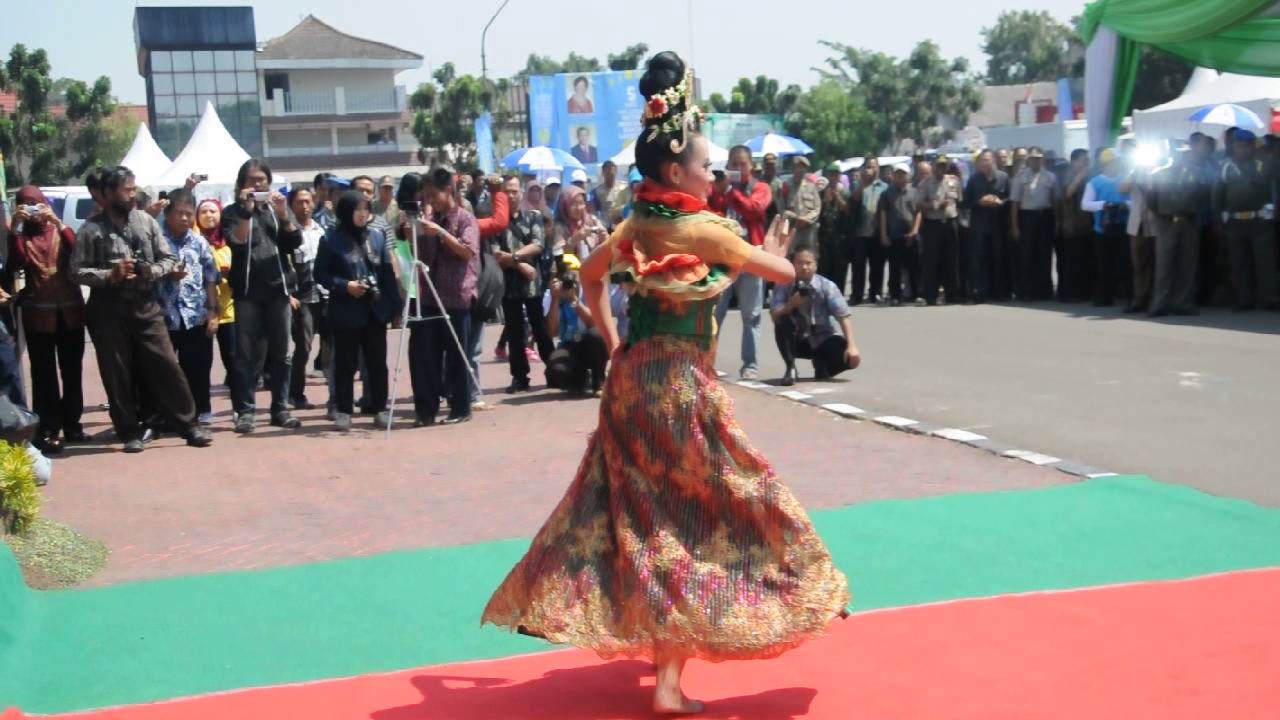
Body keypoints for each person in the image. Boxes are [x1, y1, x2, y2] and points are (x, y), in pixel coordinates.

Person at [482, 52, 849, 716]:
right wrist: (791, 228)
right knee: (710, 512)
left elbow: (590, 283)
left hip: (630, 384)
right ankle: (677, 679)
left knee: (643, 518)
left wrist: (616, 342)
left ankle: (666, 678)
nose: (714, 176)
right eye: (707, 167)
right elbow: (783, 271)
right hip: (682, 388)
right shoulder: (703, 228)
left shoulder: (633, 227)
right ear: (677, 172)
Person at [70, 166, 213, 453]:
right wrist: (111, 275)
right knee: (117, 371)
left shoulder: (146, 222)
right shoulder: (91, 228)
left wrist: (150, 270)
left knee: (166, 364)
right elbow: (76, 271)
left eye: (134, 189)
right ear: (109, 193)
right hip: (108, 308)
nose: (132, 194)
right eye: (126, 189)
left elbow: (170, 258)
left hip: (146, 304)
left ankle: (189, 424)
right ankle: (128, 430)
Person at [221, 158, 303, 433]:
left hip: (278, 290)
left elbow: (294, 243)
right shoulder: (233, 212)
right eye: (251, 180)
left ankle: (280, 407)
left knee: (282, 353)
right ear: (241, 184)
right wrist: (246, 211)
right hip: (247, 293)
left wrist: (282, 213)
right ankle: (245, 411)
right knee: (245, 355)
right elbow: (238, 242)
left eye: (261, 180)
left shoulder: (277, 209)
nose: (257, 185)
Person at [5, 186, 88, 454]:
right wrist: (16, 226)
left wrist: (57, 221)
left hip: (70, 312)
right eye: (25, 205)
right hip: (38, 315)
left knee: (72, 371)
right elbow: (15, 263)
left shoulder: (59, 231)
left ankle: (73, 424)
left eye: (36, 204)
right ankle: (48, 429)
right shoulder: (21, 236)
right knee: (44, 375)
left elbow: (78, 252)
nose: (33, 211)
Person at [314, 191, 400, 430]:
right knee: (345, 362)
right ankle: (343, 409)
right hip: (346, 311)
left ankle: (380, 407)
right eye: (357, 209)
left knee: (376, 362)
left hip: (375, 309)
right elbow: (320, 273)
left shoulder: (377, 236)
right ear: (346, 212)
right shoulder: (331, 239)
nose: (363, 214)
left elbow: (387, 273)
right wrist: (345, 285)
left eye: (366, 209)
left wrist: (395, 306)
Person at [405, 167, 479, 426]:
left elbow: (468, 251)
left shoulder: (465, 219)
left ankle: (460, 407)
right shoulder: (429, 218)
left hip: (457, 297)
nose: (429, 200)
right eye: (425, 195)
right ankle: (426, 410)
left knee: (457, 355)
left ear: (448, 190)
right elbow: (418, 254)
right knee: (425, 355)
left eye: (432, 194)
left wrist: (441, 232)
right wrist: (413, 232)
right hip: (428, 296)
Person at [156, 189, 220, 425]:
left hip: (196, 315)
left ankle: (201, 411)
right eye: (179, 213)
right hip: (165, 316)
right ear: (167, 212)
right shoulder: (156, 240)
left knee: (198, 368)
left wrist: (213, 311)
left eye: (188, 214)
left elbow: (211, 277)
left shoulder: (199, 241)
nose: (184, 218)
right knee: (167, 371)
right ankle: (169, 416)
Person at [712, 144, 773, 381]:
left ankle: (750, 364)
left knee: (751, 315)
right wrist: (719, 190)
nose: (737, 168)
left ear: (751, 166)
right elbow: (709, 213)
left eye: (742, 164)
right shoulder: (718, 188)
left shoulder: (761, 188)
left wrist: (731, 191)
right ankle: (707, 362)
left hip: (750, 257)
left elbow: (754, 210)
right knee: (714, 314)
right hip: (722, 260)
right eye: (733, 164)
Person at [495, 177, 554, 393]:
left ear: (521, 193)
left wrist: (513, 257)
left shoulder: (533, 217)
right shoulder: (498, 221)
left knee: (541, 329)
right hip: (509, 285)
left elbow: (538, 244)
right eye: (506, 192)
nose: (511, 196)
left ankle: (554, 370)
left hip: (532, 285)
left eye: (514, 191)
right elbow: (496, 253)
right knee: (515, 333)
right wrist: (520, 263)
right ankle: (519, 376)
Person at [771, 246, 862, 386]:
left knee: (849, 358)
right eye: (800, 263)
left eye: (808, 263)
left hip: (821, 337)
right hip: (797, 339)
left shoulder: (827, 286)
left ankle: (823, 366)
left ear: (815, 265)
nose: (804, 267)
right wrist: (791, 304)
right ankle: (790, 368)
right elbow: (775, 316)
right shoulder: (784, 284)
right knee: (782, 322)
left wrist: (852, 346)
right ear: (793, 264)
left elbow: (843, 316)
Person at [1215, 129, 1279, 311]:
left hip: (1260, 220)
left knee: (1265, 262)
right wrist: (1217, 220)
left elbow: (1276, 188)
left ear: (1252, 146)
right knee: (1239, 263)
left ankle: (1270, 299)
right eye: (1238, 146)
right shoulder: (1225, 166)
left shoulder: (1265, 164)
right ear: (1233, 146)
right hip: (1235, 222)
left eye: (1245, 146)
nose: (1242, 150)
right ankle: (1244, 299)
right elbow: (1217, 194)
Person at [1147, 146, 1207, 316]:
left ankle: (1183, 303)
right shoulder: (1157, 173)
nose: (1180, 157)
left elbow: (1203, 195)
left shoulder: (1196, 173)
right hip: (1166, 222)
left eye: (1183, 154)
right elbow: (1151, 199)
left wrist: (1193, 212)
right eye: (1177, 153)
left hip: (1189, 222)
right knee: (1163, 265)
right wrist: (1162, 215)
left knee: (1188, 265)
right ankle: (1159, 304)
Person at [542, 261, 608, 395]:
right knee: (556, 370)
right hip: (569, 345)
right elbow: (552, 332)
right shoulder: (552, 294)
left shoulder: (590, 288)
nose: (569, 280)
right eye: (565, 276)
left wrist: (573, 299)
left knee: (596, 335)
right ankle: (579, 378)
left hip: (590, 343)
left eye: (573, 275)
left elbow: (593, 323)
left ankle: (599, 382)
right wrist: (555, 300)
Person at [287, 188, 326, 409]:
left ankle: (336, 396)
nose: (305, 206)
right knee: (304, 346)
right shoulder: (289, 232)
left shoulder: (321, 230)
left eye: (308, 201)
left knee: (331, 346)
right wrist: (290, 295)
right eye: (300, 202)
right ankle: (295, 393)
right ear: (292, 205)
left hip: (324, 294)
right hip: (301, 297)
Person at [1081, 148, 1132, 306]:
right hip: (1102, 229)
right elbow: (1085, 204)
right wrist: (1104, 205)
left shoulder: (1125, 180)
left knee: (1125, 264)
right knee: (1104, 264)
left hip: (1123, 227)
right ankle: (1105, 296)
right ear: (1108, 163)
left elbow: (1134, 200)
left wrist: (1125, 205)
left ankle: (1128, 296)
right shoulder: (1095, 182)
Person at [1009, 147, 1058, 301]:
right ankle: (1027, 291)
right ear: (1028, 160)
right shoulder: (1020, 177)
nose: (1036, 161)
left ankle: (1044, 290)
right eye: (1033, 158)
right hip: (1027, 217)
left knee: (1044, 254)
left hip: (1045, 216)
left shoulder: (1050, 177)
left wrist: (1058, 221)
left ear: (1042, 159)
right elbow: (1015, 204)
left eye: (1039, 158)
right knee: (1027, 255)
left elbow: (1056, 201)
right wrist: (1015, 226)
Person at [196, 199, 236, 386]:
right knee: (201, 362)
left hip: (228, 310)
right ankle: (202, 407)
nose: (209, 215)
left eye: (213, 211)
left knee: (234, 359)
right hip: (201, 311)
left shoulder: (229, 241)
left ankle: (240, 406)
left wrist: (230, 273)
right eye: (204, 211)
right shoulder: (193, 240)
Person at [963, 150, 1011, 303]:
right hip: (979, 227)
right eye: (982, 160)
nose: (985, 163)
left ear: (993, 161)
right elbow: (965, 202)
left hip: (998, 226)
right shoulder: (974, 179)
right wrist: (979, 202)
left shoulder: (1003, 177)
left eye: (988, 160)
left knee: (998, 258)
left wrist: (1000, 202)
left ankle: (999, 292)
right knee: (979, 260)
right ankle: (979, 292)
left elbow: (1011, 199)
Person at [915, 158, 961, 305]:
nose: (941, 168)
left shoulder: (953, 181)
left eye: (944, 165)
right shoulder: (926, 183)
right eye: (938, 166)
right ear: (934, 167)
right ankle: (931, 295)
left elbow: (959, 200)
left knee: (951, 260)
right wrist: (935, 204)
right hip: (933, 224)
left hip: (950, 222)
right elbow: (918, 204)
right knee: (932, 261)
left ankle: (952, 295)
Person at [878, 163, 922, 306]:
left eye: (903, 174)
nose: (900, 176)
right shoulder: (886, 194)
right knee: (894, 268)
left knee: (913, 267)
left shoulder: (914, 192)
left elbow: (918, 212)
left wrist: (915, 230)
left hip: (911, 235)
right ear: (894, 176)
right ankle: (895, 296)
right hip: (894, 235)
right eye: (897, 174)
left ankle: (916, 295)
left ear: (908, 176)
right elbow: (883, 214)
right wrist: (884, 234)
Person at [1056, 149, 1095, 302]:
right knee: (1072, 261)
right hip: (1072, 225)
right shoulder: (1068, 174)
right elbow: (1067, 193)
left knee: (1085, 261)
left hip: (1086, 224)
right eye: (1083, 160)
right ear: (1074, 161)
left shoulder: (1090, 176)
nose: (1086, 163)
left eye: (1087, 160)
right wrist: (1081, 175)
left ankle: (1084, 291)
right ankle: (1069, 293)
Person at [850, 157, 889, 304]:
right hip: (861, 232)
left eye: (874, 166)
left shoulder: (885, 187)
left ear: (878, 168)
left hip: (877, 232)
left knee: (877, 265)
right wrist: (863, 183)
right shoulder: (858, 185)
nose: (871, 169)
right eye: (868, 166)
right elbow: (853, 200)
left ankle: (875, 293)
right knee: (858, 265)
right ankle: (857, 294)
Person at [817, 162, 853, 295]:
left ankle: (839, 295)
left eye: (835, 175)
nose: (833, 177)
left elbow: (848, 210)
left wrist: (837, 197)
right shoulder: (822, 193)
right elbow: (818, 211)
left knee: (839, 269)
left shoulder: (845, 192)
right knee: (825, 268)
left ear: (839, 176)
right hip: (825, 236)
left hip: (840, 237)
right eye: (830, 174)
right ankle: (824, 295)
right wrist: (825, 200)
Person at [553, 185, 608, 259]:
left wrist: (604, 237)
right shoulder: (560, 226)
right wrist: (574, 240)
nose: (578, 208)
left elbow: (608, 246)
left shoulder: (593, 220)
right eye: (573, 204)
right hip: (571, 269)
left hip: (595, 266)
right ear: (565, 205)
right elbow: (558, 253)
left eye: (581, 203)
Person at [782, 156, 822, 253]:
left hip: (808, 230)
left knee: (808, 255)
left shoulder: (811, 187)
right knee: (791, 257)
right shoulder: (785, 186)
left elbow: (817, 208)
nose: (800, 170)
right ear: (793, 168)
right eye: (797, 167)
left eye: (803, 168)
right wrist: (795, 218)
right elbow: (781, 208)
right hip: (791, 228)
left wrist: (806, 219)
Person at [591, 160, 628, 230]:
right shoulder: (597, 191)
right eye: (607, 173)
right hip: (606, 227)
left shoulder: (624, 188)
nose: (610, 176)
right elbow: (594, 212)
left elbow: (628, 206)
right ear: (603, 173)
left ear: (616, 172)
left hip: (622, 225)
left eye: (612, 174)